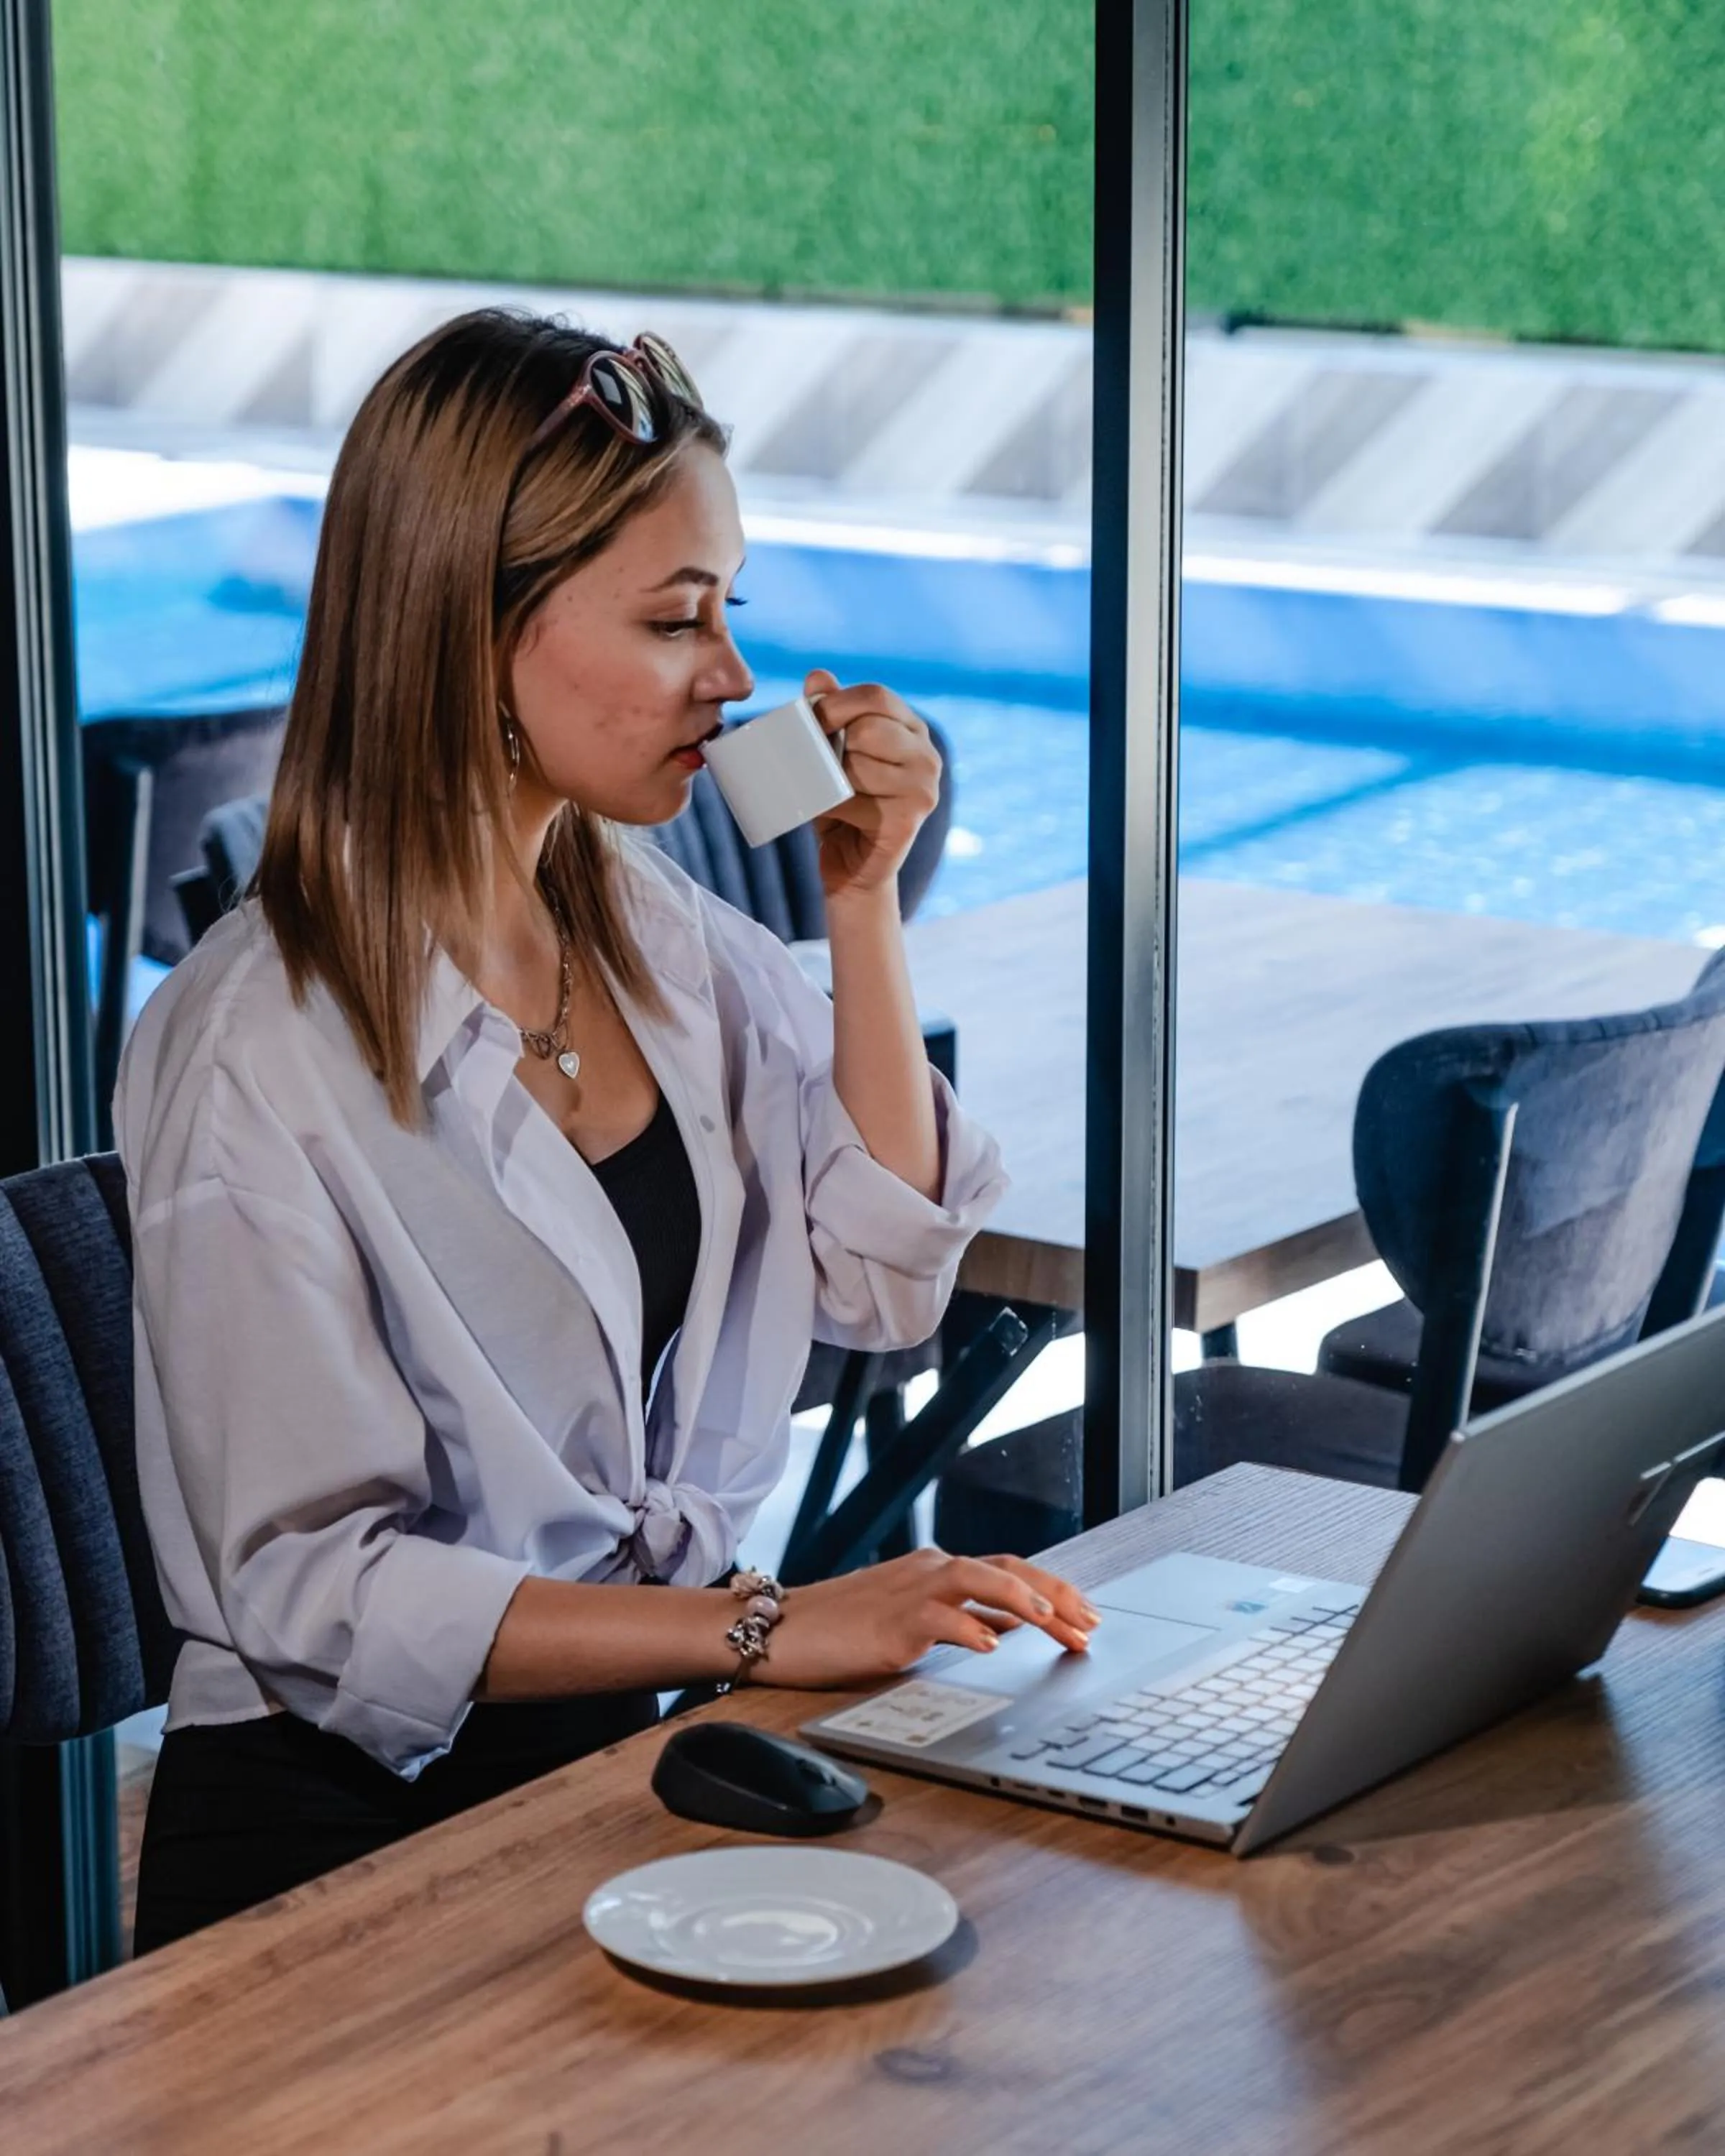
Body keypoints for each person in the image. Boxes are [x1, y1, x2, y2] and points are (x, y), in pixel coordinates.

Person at [119, 310, 1098, 1953]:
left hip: (618, 1760)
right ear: (466, 631)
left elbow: (881, 1286)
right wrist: (761, 1628)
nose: (729, 675)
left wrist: (861, 908)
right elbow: (312, 1592)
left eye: (731, 612)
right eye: (673, 618)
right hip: (343, 1845)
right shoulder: (251, 1052)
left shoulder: (656, 929)